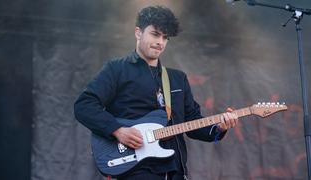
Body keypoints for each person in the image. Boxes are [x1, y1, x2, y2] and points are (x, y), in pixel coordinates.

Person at [74, 5, 238, 180]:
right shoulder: (117, 69)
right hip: (136, 170)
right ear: (138, 33)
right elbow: (84, 106)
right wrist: (117, 130)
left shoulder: (177, 78)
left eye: (165, 37)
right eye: (155, 34)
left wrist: (219, 127)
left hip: (175, 169)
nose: (160, 42)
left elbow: (193, 124)